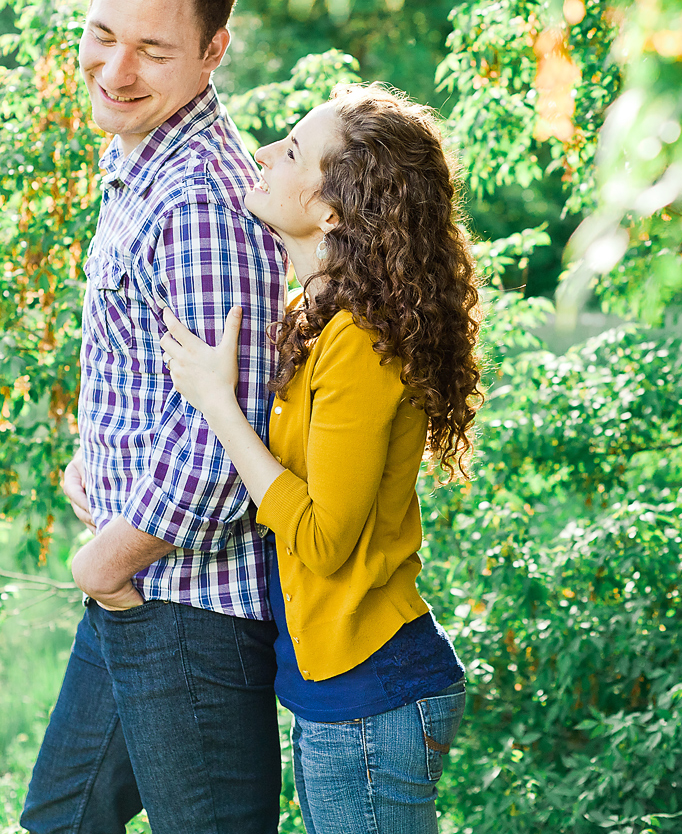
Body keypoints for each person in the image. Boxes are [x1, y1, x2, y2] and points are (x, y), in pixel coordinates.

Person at [19, 0, 288, 834]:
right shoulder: (137, 151)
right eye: (101, 34)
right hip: (140, 592)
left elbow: (227, 448)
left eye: (151, 49)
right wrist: (91, 456)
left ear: (214, 51)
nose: (114, 68)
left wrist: (106, 557)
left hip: (194, 612)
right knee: (59, 822)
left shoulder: (203, 202)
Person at [159, 85, 483, 834]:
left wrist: (217, 402)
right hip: (343, 691)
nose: (265, 154)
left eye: (294, 151)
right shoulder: (318, 318)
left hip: (371, 694)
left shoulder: (360, 343)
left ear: (332, 210)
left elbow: (325, 539)